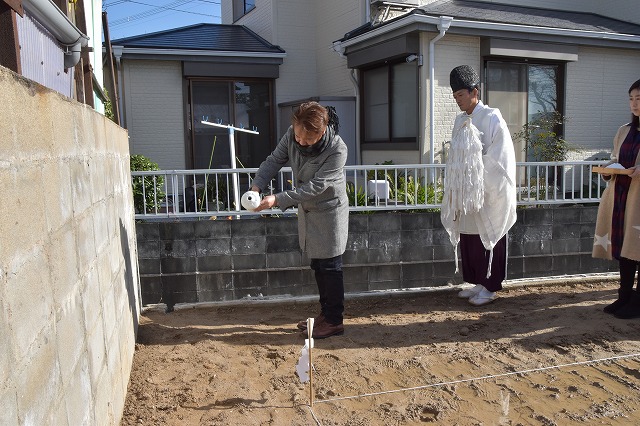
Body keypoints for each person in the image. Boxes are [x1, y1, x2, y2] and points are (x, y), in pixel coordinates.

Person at [249, 101, 349, 338]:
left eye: (307, 139)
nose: (300, 142)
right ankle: (326, 314)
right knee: (318, 263)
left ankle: (335, 320)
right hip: (308, 211)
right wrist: (257, 186)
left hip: (330, 211)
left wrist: (277, 200)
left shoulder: (337, 148)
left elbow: (316, 187)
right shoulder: (292, 135)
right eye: (297, 136)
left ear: (322, 132)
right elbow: (274, 160)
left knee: (331, 266)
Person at [441, 65, 517, 306]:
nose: (457, 101)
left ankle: (491, 286)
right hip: (467, 191)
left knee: (488, 233)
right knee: (470, 235)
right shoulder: (459, 120)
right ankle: (477, 281)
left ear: (475, 91)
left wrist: (476, 175)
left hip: (487, 189)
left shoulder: (492, 117)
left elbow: (500, 156)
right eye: (454, 97)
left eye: (460, 95)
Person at [593, 78, 640, 319]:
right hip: (621, 196)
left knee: (638, 247)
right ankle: (624, 296)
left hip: (638, 200)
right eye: (631, 99)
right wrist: (608, 168)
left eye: (639, 98)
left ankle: (638, 301)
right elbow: (615, 157)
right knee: (624, 248)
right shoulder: (624, 130)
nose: (634, 104)